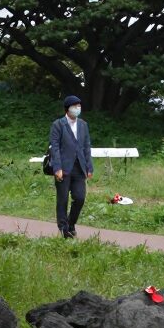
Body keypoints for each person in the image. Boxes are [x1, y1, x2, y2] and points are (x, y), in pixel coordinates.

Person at [49, 93, 95, 238]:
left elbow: (86, 146)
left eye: (79, 106)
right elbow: (54, 147)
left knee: (80, 197)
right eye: (75, 106)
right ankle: (64, 229)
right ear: (68, 108)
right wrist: (57, 168)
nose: (78, 108)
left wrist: (89, 166)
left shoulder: (83, 125)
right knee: (62, 199)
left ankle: (71, 223)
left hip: (79, 168)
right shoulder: (58, 124)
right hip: (63, 168)